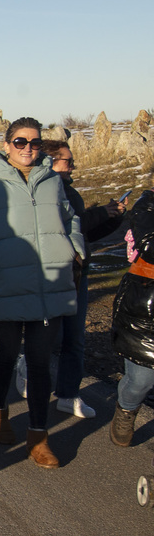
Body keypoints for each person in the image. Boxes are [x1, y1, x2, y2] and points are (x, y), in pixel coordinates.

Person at [0, 117, 84, 469]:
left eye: (35, 142)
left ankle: (38, 436)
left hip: (51, 284)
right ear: (7, 144)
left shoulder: (52, 181)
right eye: (21, 142)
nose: (28, 149)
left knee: (41, 363)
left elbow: (71, 218)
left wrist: (75, 249)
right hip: (8, 284)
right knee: (7, 353)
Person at [41, 139, 124, 418]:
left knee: (75, 339)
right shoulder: (45, 193)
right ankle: (24, 364)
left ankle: (68, 394)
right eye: (68, 161)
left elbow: (84, 235)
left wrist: (112, 218)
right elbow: (62, 230)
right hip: (53, 274)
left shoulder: (72, 193)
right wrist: (100, 213)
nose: (73, 166)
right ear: (51, 163)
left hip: (79, 273)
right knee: (52, 337)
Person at [111, 185, 154, 446]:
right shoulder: (147, 205)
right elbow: (149, 246)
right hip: (146, 305)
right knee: (141, 380)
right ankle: (127, 408)